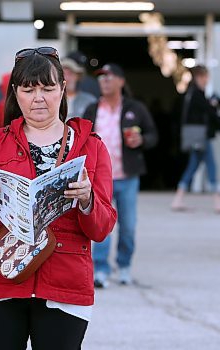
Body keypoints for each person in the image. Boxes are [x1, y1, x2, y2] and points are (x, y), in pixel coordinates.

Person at [0, 46, 117, 350]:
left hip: (66, 284)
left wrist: (87, 201)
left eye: (47, 88)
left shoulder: (91, 147)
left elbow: (102, 227)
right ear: (15, 92)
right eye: (29, 89)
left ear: (63, 89)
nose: (39, 97)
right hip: (1, 279)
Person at [82, 63, 158, 288]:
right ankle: (101, 269)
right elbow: (81, 139)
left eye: (110, 76)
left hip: (128, 176)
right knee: (102, 224)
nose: (104, 80)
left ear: (121, 82)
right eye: (101, 77)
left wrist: (141, 140)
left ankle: (124, 265)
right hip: (100, 179)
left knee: (128, 225)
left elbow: (153, 134)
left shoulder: (135, 108)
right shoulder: (92, 109)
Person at [171, 65, 220, 212]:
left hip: (198, 137)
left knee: (193, 166)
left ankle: (178, 198)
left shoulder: (191, 94)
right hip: (201, 137)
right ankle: (217, 200)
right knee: (211, 165)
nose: (207, 80)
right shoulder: (197, 94)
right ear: (199, 77)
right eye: (205, 76)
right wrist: (213, 104)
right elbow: (210, 111)